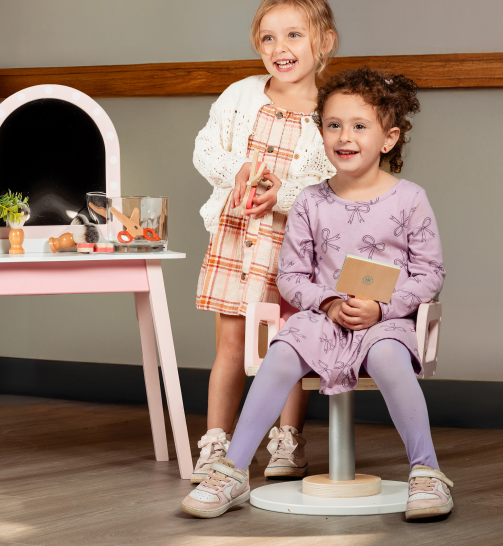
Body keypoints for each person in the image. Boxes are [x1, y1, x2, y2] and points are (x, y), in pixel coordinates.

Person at [182, 67, 454, 520]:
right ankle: (232, 471)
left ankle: (427, 473)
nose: (344, 136)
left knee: (387, 356)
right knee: (283, 351)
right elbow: (290, 275)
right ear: (322, 132)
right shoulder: (310, 200)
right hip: (323, 319)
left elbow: (429, 274)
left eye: (359, 126)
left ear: (388, 139)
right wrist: (326, 302)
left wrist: (382, 307)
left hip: (384, 322)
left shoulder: (410, 199)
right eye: (333, 125)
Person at [191, 0, 338, 482]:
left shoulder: (330, 110)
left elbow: (330, 183)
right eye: (268, 37)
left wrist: (285, 194)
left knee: (286, 344)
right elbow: (206, 149)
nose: (280, 48)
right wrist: (237, 171)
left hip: (292, 248)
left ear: (325, 42)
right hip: (237, 237)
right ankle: (217, 442)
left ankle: (287, 440)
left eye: (294, 34)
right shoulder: (241, 95)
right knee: (231, 346)